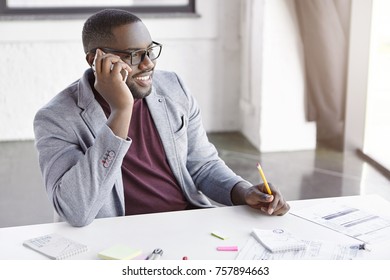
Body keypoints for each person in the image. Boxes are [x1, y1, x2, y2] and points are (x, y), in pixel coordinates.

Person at [34, 9, 290, 227]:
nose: (148, 64)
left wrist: (243, 192)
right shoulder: (56, 118)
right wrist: (121, 112)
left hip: (186, 223)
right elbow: (75, 211)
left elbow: (202, 165)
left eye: (150, 51)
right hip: (118, 238)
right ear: (96, 60)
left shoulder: (173, 87)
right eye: (134, 55)